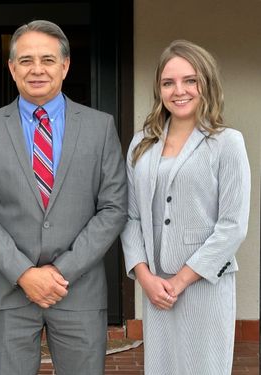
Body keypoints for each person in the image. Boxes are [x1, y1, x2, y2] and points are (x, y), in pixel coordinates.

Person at [0, 20, 127, 375]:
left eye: (48, 60)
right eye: (26, 60)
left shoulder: (100, 127)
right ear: (11, 67)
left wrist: (59, 271)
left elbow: (113, 208)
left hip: (78, 289)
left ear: (65, 66)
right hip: (7, 290)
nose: (37, 69)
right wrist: (24, 273)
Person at [121, 40, 250, 374]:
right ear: (159, 89)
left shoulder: (227, 142)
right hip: (155, 286)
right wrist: (145, 276)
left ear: (206, 83)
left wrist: (180, 280)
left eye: (190, 80)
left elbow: (232, 225)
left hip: (203, 282)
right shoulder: (141, 143)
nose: (179, 90)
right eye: (168, 82)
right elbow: (130, 216)